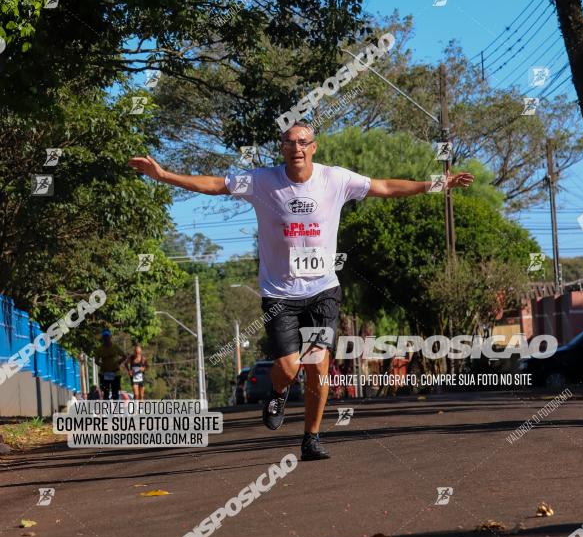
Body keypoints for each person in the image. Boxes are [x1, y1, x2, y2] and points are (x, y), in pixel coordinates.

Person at [128, 123, 474, 460]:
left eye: (303, 142)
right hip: (280, 292)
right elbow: (215, 184)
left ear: (314, 147)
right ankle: (278, 391)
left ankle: (311, 437)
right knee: (290, 367)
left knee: (318, 365)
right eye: (290, 142)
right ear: (282, 148)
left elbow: (384, 186)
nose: (297, 148)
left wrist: (438, 184)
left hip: (323, 288)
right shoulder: (262, 181)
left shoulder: (335, 179)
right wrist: (164, 175)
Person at [94, 329, 126, 400]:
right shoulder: (99, 349)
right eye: (105, 337)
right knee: (106, 393)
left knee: (115, 393)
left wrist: (119, 362)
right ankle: (106, 409)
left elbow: (124, 356)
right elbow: (96, 361)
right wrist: (102, 365)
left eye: (107, 337)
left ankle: (116, 410)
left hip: (115, 372)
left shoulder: (115, 347)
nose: (106, 339)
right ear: (103, 338)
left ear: (110, 337)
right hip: (105, 373)